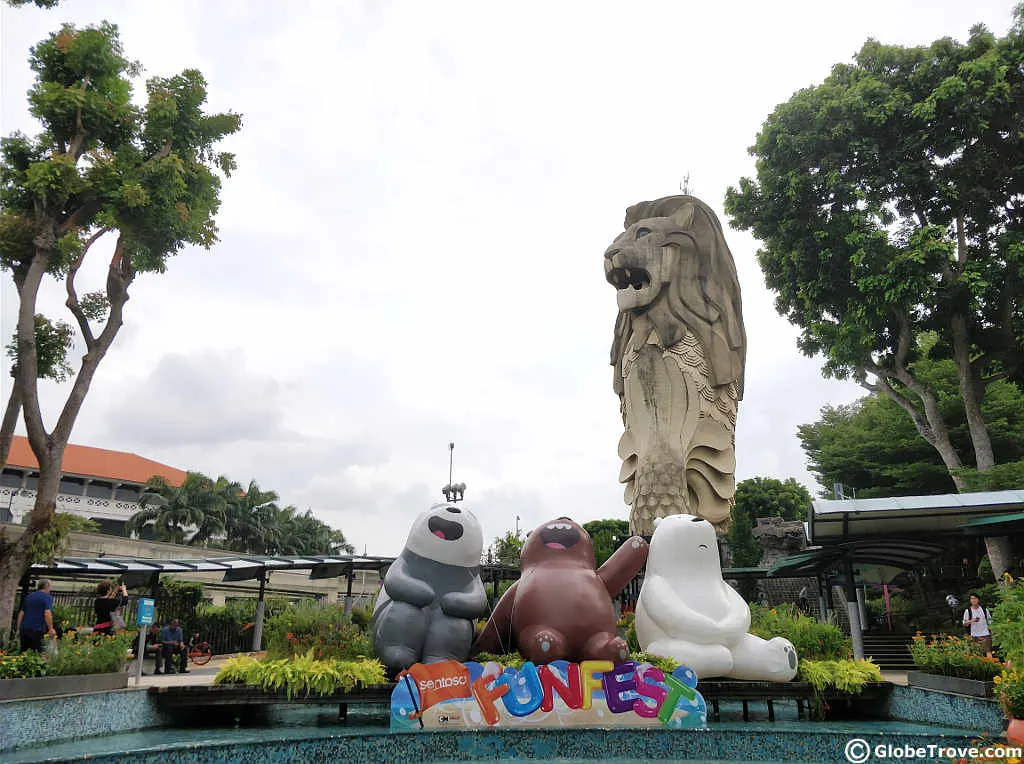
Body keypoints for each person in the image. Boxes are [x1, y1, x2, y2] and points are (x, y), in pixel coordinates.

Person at [15, 579, 56, 652]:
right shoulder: (47, 597)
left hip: (24, 629)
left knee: (24, 652)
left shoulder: (29, 597)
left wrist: (18, 629)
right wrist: (51, 629)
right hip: (37, 630)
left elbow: (21, 613)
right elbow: (47, 613)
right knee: (36, 654)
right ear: (47, 587)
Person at [963, 593, 994, 658]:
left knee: (988, 651)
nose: (973, 600)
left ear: (978, 600)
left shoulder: (984, 610)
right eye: (972, 599)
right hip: (973, 634)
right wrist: (972, 620)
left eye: (975, 598)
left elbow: (990, 622)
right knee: (975, 653)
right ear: (970, 600)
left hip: (985, 633)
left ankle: (991, 666)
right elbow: (965, 624)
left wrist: (992, 633)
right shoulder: (968, 611)